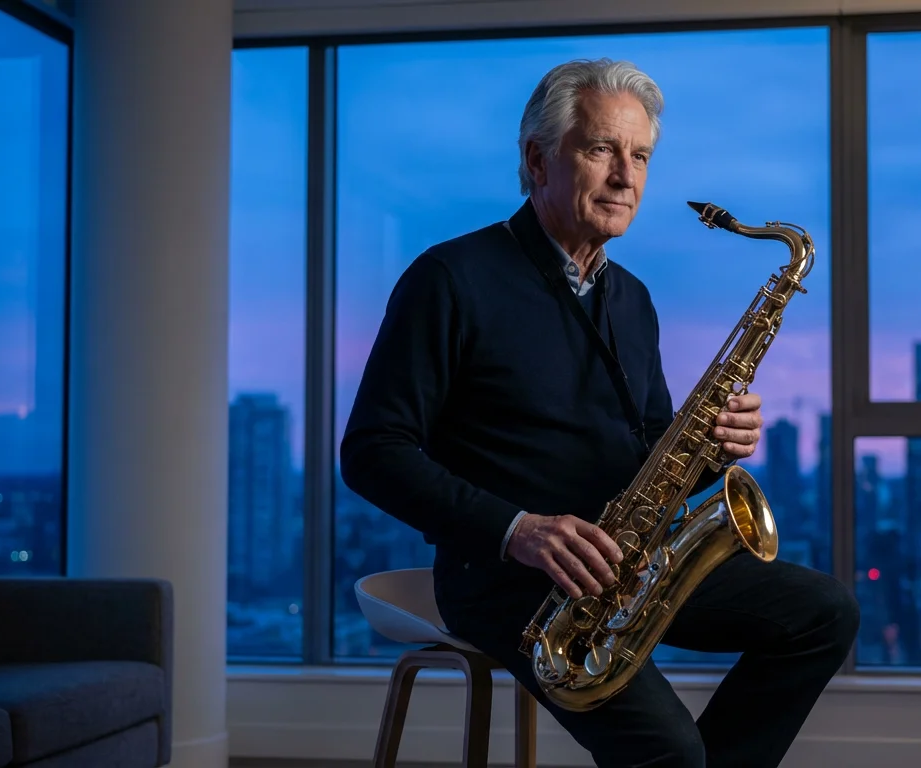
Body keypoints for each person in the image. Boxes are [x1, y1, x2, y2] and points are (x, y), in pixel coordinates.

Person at [340, 57, 860, 768]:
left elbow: (651, 452)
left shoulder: (633, 299)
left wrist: (712, 450)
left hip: (632, 559)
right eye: (600, 150)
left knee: (824, 614)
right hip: (509, 580)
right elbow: (373, 451)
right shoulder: (449, 278)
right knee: (672, 750)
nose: (626, 176)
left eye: (640, 155)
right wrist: (519, 531)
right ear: (536, 158)